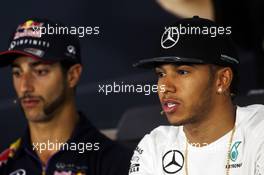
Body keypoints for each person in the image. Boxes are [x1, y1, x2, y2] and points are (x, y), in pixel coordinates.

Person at [129, 16, 264, 175]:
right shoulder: (154, 146)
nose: (165, 86)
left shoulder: (259, 130)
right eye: (160, 74)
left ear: (222, 80)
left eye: (182, 72)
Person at [0, 18, 132, 175]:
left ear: (72, 76)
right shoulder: (5, 164)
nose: (24, 87)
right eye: (17, 73)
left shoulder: (115, 163)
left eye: (40, 71)